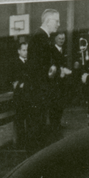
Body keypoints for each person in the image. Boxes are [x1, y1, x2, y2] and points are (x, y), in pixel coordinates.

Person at [28, 8, 60, 142]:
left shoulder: (42, 37)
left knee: (39, 127)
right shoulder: (40, 38)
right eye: (57, 21)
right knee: (37, 129)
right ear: (48, 21)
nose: (58, 24)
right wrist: (53, 70)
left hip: (40, 92)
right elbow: (41, 69)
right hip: (39, 93)